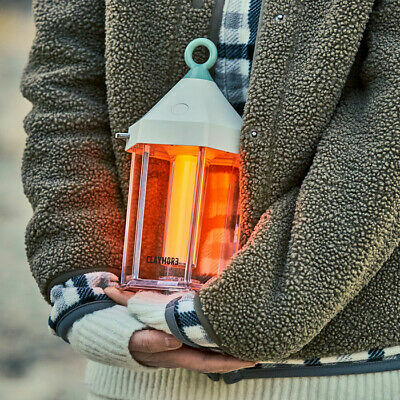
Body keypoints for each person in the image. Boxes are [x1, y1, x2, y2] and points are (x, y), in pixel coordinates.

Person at [20, 0, 400, 399]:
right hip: (137, 377)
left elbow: (387, 126)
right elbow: (65, 86)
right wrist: (87, 298)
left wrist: (247, 311)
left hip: (347, 377)